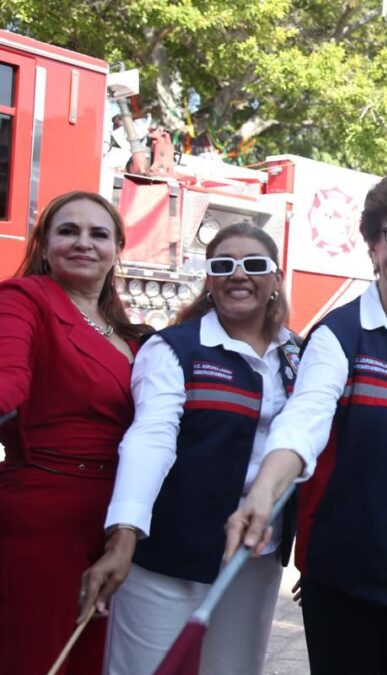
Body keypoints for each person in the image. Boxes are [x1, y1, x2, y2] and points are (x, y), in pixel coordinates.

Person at [225, 168, 387, 675]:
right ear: (372, 244)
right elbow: (304, 420)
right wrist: (262, 493)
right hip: (349, 569)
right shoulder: (340, 335)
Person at [75, 223, 298, 673]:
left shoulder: (300, 354)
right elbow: (150, 438)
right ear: (209, 281)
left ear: (276, 280)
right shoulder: (173, 349)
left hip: (253, 558)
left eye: (254, 265)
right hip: (171, 551)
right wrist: (124, 534)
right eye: (223, 266)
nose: (239, 275)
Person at [0, 191, 150, 675]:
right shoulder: (23, 300)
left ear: (116, 249)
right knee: (38, 657)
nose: (83, 243)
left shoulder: (131, 335)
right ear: (44, 247)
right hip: (43, 519)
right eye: (68, 231)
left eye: (98, 233)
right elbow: (7, 379)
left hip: (116, 521)